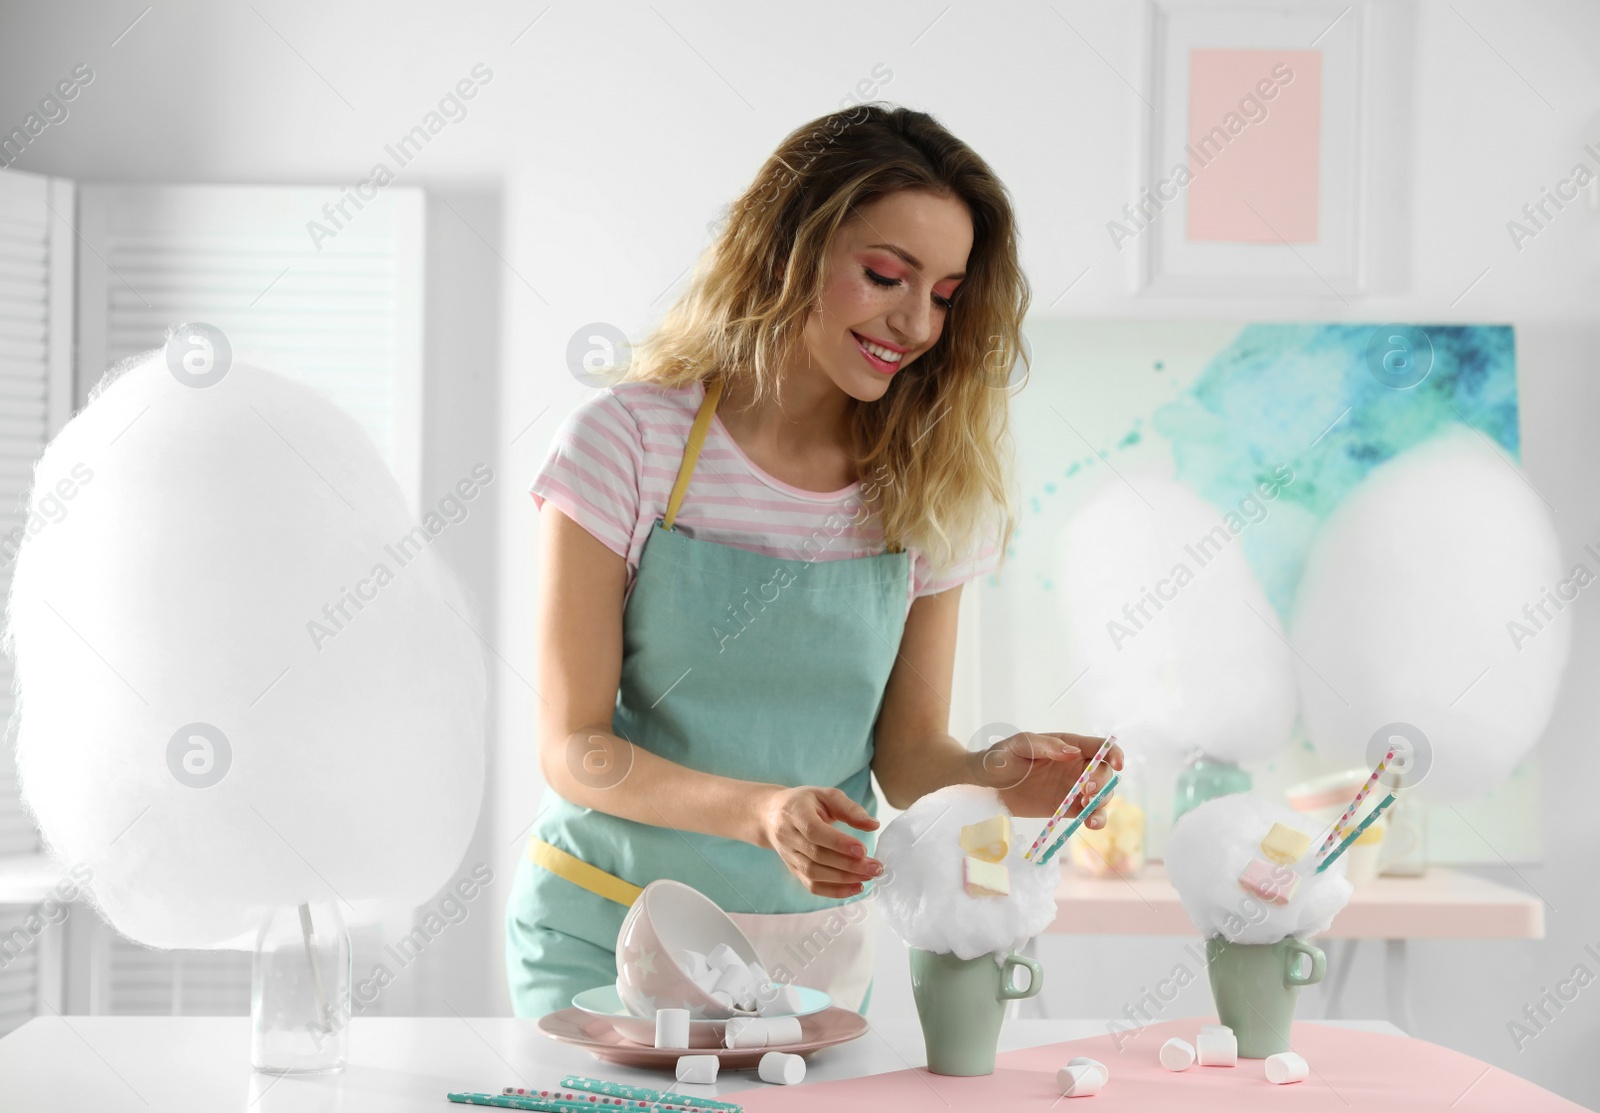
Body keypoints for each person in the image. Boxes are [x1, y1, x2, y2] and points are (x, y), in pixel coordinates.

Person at [506, 103, 1123, 1019]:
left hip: (806, 959)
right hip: (609, 931)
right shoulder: (627, 443)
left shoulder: (932, 490)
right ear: (787, 249)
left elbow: (908, 758)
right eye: (885, 275)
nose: (915, 323)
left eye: (946, 296)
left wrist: (1001, 773)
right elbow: (574, 750)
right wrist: (758, 811)